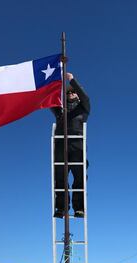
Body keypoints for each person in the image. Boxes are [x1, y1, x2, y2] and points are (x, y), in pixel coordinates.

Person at [52, 72, 90, 218]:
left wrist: (72, 81)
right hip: (61, 147)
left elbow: (85, 97)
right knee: (60, 178)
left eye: (74, 92)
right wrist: (56, 82)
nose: (72, 94)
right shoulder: (60, 111)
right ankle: (61, 208)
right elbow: (50, 101)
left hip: (78, 147)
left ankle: (79, 208)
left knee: (79, 178)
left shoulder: (84, 108)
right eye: (69, 92)